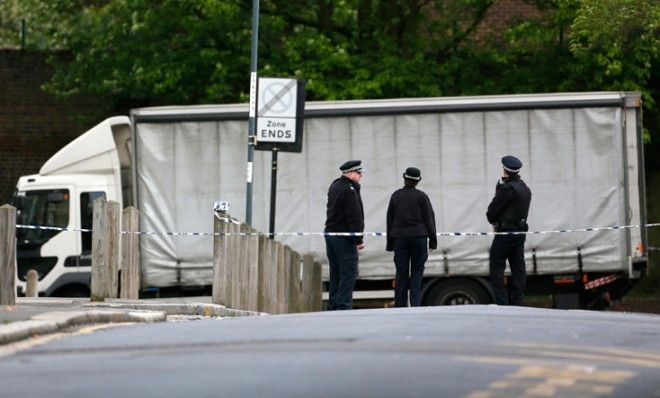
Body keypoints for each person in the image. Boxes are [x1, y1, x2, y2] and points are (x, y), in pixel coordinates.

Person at [386, 167, 437, 307]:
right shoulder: (422, 196)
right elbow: (429, 219)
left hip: (400, 239)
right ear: (418, 181)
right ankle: (415, 305)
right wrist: (433, 241)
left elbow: (389, 220)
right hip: (419, 238)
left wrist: (389, 244)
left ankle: (400, 306)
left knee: (401, 273)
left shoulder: (396, 195)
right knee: (417, 273)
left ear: (404, 178)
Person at [486, 155, 532, 306]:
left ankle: (502, 302)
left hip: (504, 233)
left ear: (505, 170)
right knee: (518, 267)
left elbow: (492, 212)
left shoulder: (507, 188)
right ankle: (517, 301)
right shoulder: (524, 187)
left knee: (497, 266)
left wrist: (499, 189)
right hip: (519, 233)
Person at [324, 160, 366, 310]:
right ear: (351, 173)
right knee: (348, 272)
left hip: (331, 234)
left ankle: (334, 305)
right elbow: (354, 216)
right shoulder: (349, 190)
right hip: (344, 237)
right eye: (359, 173)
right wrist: (359, 239)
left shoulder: (335, 185)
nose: (361, 175)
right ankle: (343, 306)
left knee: (336, 272)